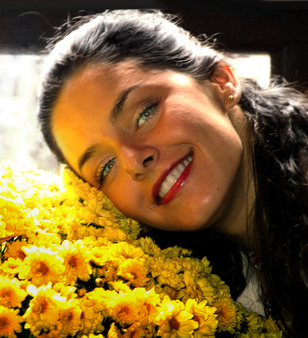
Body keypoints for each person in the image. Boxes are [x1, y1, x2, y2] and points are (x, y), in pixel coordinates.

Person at [37, 9, 308, 336]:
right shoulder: (185, 296)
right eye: (106, 167)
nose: (132, 161)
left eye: (144, 114)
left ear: (221, 81)